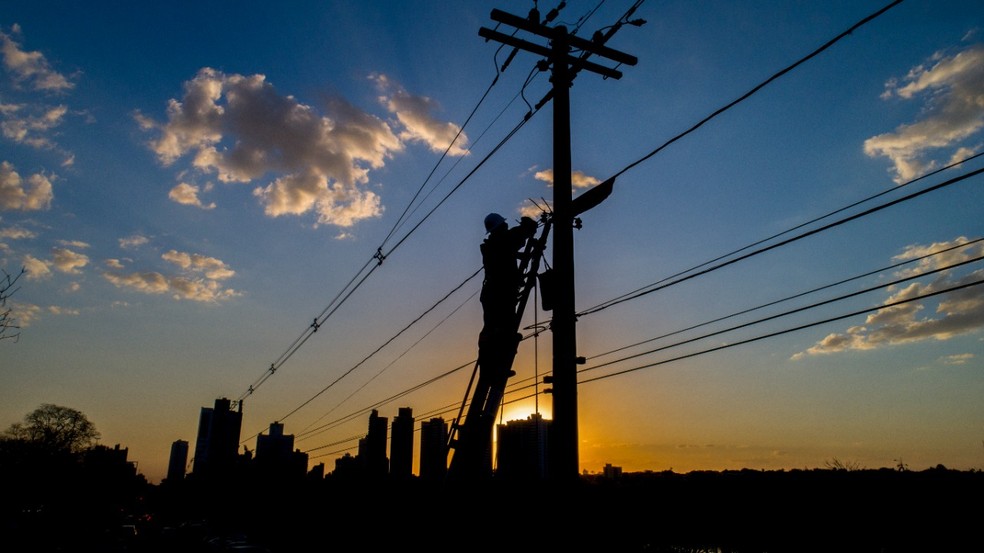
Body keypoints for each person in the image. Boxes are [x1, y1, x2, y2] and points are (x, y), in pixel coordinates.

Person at [479, 212, 537, 337]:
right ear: (500, 228)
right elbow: (514, 238)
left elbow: (508, 251)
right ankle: (502, 341)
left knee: (494, 327)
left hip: (492, 293)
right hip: (499, 294)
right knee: (501, 327)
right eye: (504, 225)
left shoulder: (494, 246)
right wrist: (526, 228)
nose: (506, 226)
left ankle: (499, 342)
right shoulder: (501, 242)